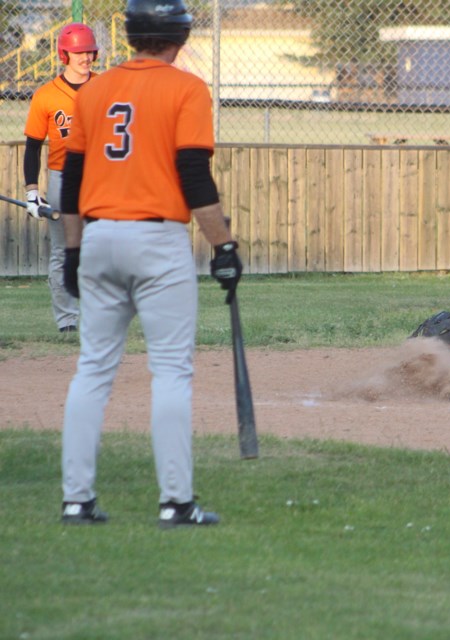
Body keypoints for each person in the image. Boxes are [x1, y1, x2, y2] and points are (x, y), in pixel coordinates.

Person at [58, 0, 242, 527]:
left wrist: (72, 251)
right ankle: (176, 502)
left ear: (132, 34)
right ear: (180, 36)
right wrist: (223, 245)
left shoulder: (92, 89)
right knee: (169, 373)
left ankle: (76, 499)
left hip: (98, 237)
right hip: (157, 241)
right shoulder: (186, 88)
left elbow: (71, 180)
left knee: (92, 369)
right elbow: (193, 173)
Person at [22, 22, 99, 333]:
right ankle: (68, 321)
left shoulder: (106, 87)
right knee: (63, 250)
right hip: (62, 177)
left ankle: (97, 318)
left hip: (100, 177)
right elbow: (32, 148)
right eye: (78, 51)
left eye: (89, 50)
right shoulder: (46, 96)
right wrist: (31, 191)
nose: (86, 57)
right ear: (64, 54)